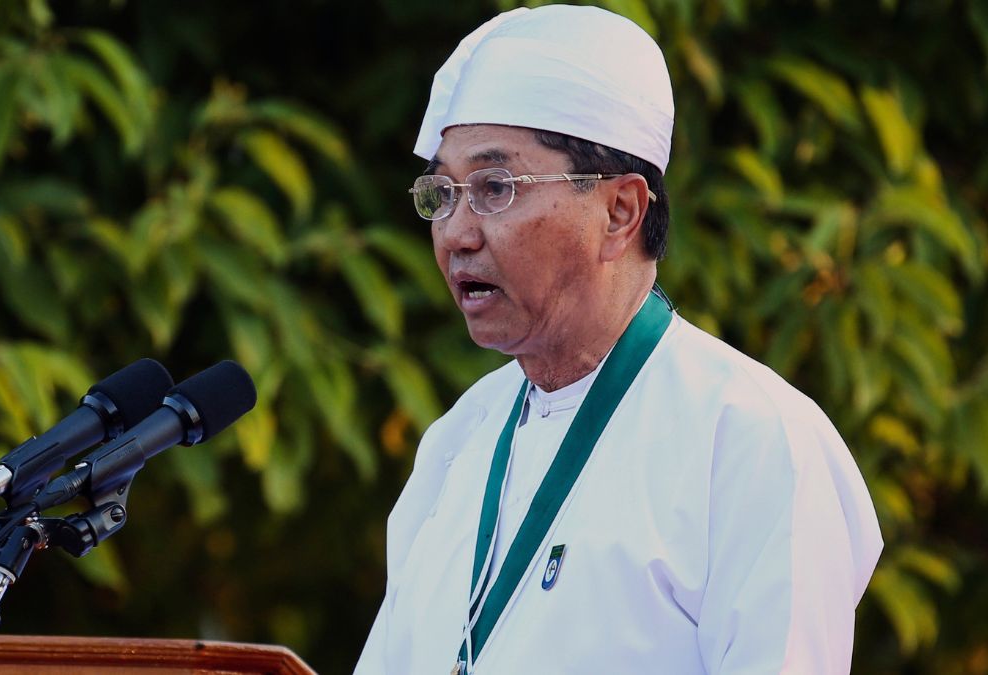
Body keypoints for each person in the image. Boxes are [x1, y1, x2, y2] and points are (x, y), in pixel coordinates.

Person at [354, 5, 883, 674]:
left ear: (620, 211)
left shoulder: (750, 438)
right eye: (443, 193)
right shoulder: (458, 441)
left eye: (494, 187)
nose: (456, 232)